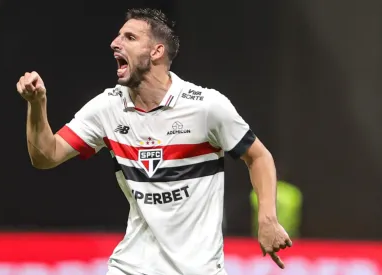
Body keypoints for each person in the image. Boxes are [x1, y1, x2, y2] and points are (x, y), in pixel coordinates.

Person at [16, 8, 292, 275]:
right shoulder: (107, 108)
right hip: (131, 267)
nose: (115, 43)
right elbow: (45, 156)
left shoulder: (206, 107)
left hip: (197, 269)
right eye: (118, 36)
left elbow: (258, 157)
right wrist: (37, 105)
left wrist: (267, 219)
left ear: (156, 52)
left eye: (130, 37)